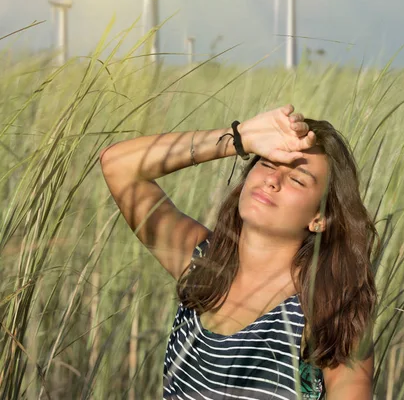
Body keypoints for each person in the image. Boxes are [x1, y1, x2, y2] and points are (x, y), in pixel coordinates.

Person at [100, 104, 378, 399]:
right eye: (268, 163)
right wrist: (239, 137)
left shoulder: (328, 310)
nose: (273, 179)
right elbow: (118, 165)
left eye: (297, 179)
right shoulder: (201, 266)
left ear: (320, 218)